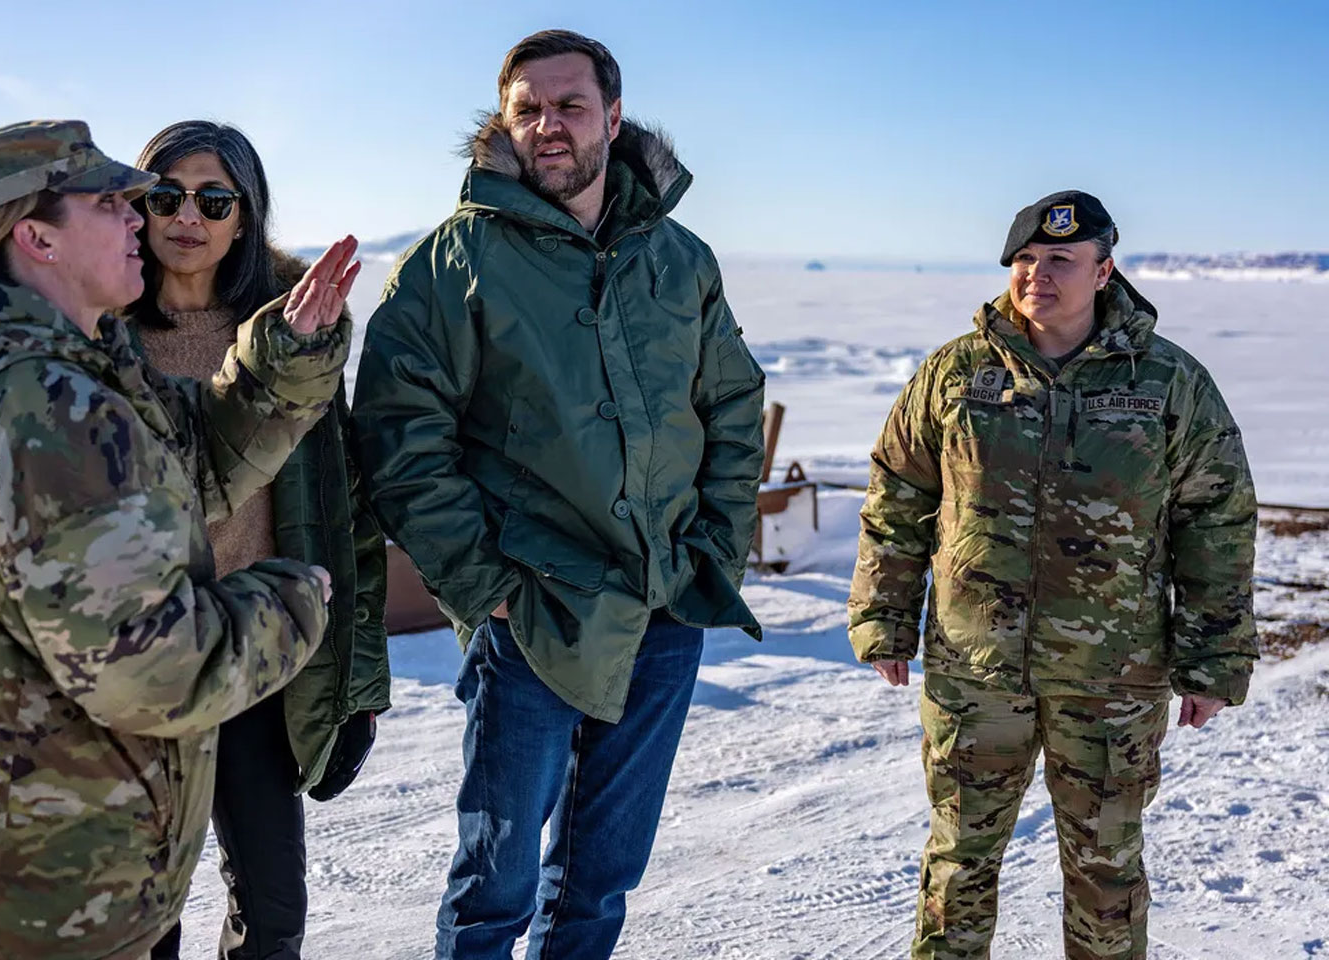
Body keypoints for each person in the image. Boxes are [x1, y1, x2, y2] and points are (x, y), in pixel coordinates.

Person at [0, 119, 359, 960]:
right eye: (113, 203)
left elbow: (193, 462)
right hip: (50, 890)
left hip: (57, 856)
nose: (143, 217)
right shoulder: (48, 411)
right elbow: (151, 671)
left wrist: (282, 361)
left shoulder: (62, 372)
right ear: (38, 239)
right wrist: (290, 602)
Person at [351, 29, 766, 960]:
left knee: (600, 879)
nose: (549, 125)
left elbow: (732, 405)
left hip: (664, 602)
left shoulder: (679, 258)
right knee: (493, 891)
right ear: (503, 123)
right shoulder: (453, 262)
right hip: (533, 612)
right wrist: (483, 584)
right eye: (528, 109)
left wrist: (714, 546)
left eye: (570, 106)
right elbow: (399, 435)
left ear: (612, 120)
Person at [848, 190, 1258, 959]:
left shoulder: (1167, 382)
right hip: (975, 670)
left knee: (1106, 875)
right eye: (1026, 259)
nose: (1038, 274)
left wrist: (1215, 657)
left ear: (1104, 272)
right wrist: (884, 615)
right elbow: (898, 495)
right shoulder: (956, 373)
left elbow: (1218, 520)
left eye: (1061, 260)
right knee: (958, 866)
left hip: (1112, 677)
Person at [126, 120, 390, 960]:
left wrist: (357, 680)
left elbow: (344, 512)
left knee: (273, 915)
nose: (187, 217)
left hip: (256, 654)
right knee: (142, 920)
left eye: (213, 200)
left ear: (245, 216)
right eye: (165, 196)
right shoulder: (102, 334)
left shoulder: (290, 338)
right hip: (139, 663)